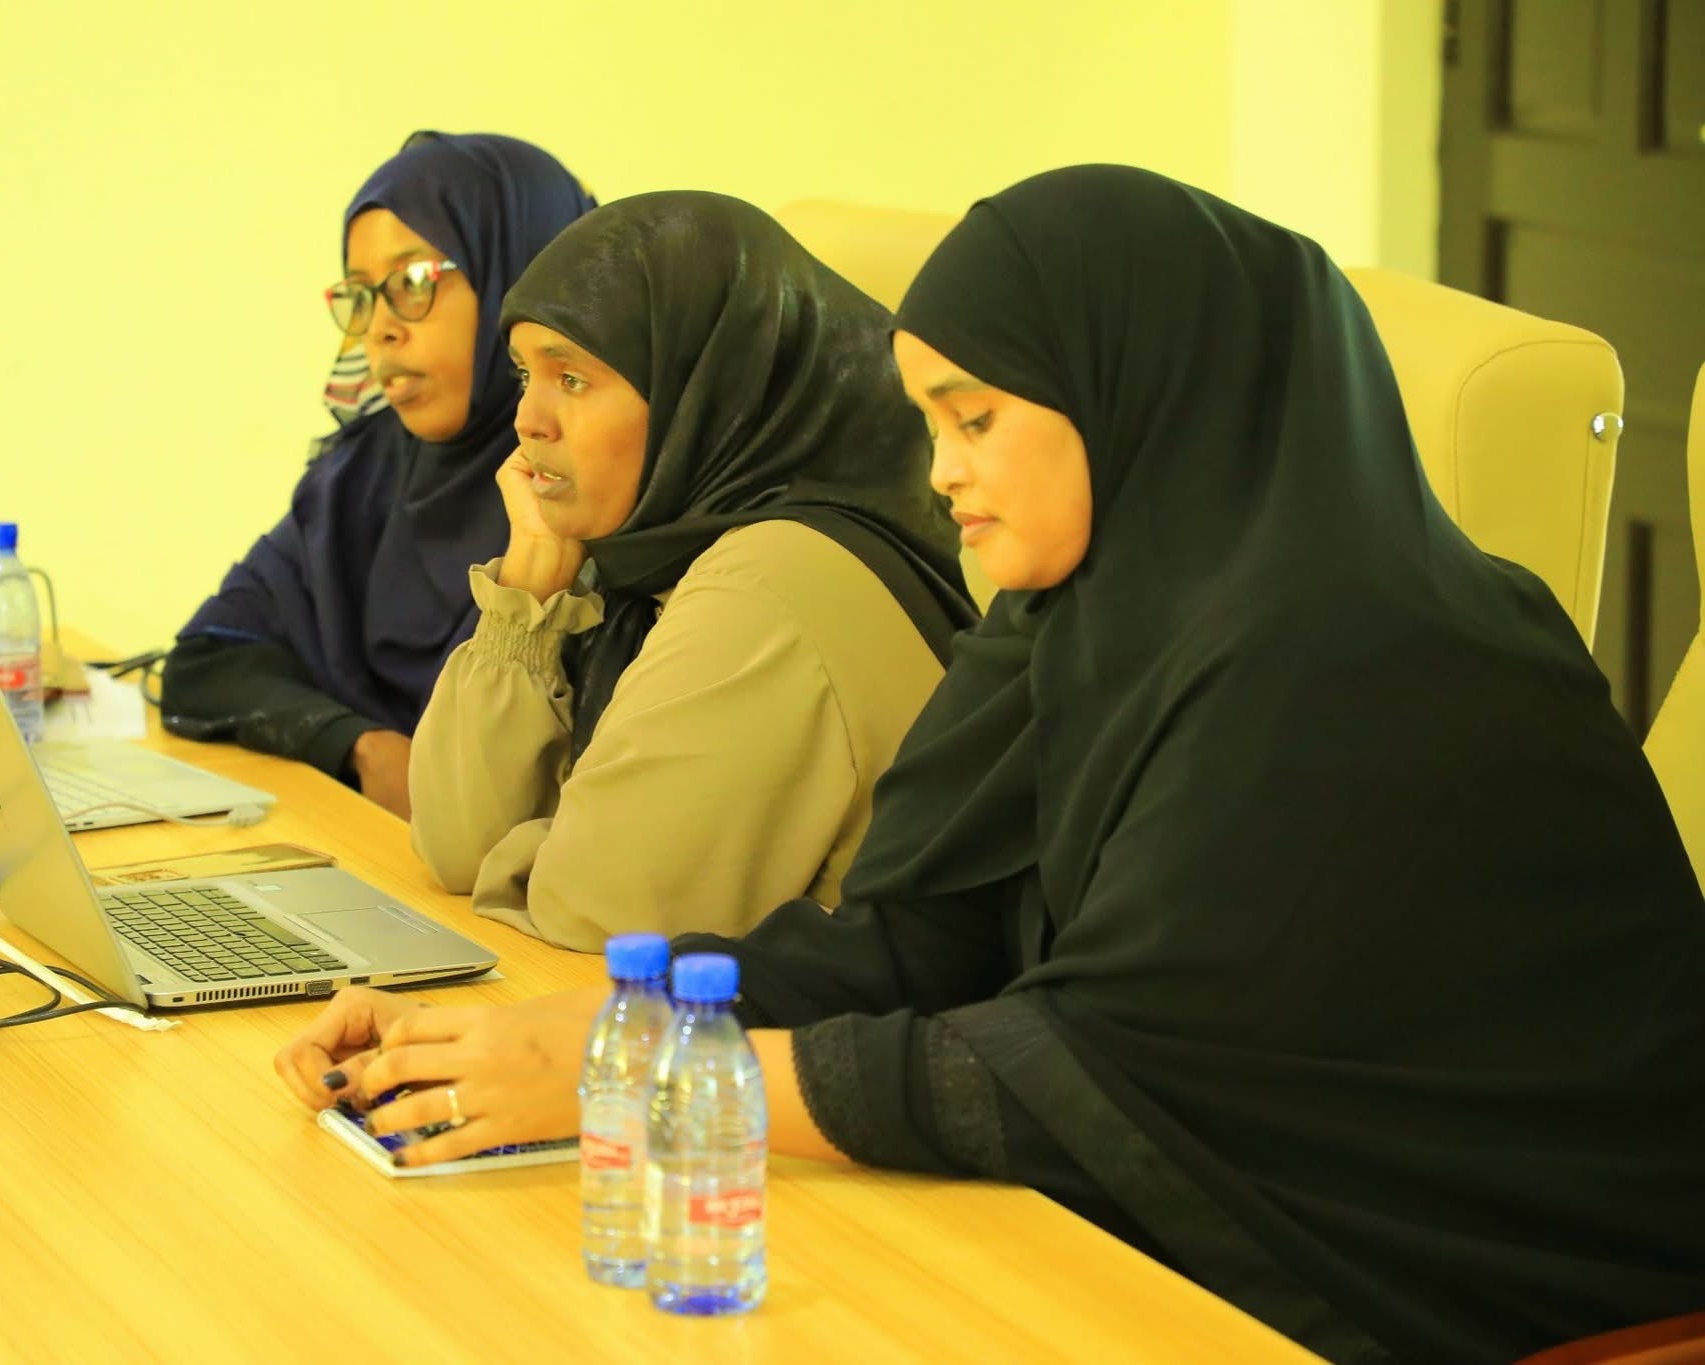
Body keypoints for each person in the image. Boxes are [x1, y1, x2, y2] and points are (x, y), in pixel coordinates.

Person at [277, 167, 1705, 1362]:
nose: (942, 470)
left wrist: (635, 1072)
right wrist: (575, 1030)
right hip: (1237, 1225)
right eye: (930, 423)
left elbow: (1092, 1071)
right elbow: (915, 938)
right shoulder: (1079, 619)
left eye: (976, 420)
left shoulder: (1368, 656)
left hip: (1498, 1294)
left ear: (1135, 391)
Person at [405, 191, 978, 949]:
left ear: (704, 391)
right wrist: (533, 584)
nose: (526, 421)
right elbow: (454, 843)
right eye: (523, 376)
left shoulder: (772, 581)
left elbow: (602, 913)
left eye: (571, 379)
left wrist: (538, 850)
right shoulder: (649, 563)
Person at [161, 133, 595, 818]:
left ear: (523, 279)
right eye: (362, 295)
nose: (380, 330)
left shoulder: (596, 498)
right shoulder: (358, 475)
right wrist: (362, 746)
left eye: (414, 281)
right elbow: (206, 661)